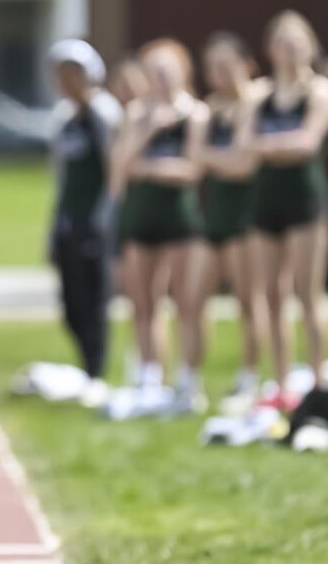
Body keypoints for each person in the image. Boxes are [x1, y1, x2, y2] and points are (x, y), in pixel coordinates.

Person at [246, 11, 328, 409]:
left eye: (297, 42)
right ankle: (281, 384)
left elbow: (308, 142)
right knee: (272, 295)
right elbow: (244, 144)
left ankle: (318, 383)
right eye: (282, 43)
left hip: (305, 200)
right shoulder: (259, 94)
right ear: (270, 49)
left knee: (308, 294)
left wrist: (268, 146)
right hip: (266, 200)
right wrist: (279, 145)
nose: (290, 50)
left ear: (311, 46)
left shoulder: (321, 90)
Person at [111, 38, 209, 416]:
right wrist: (149, 131)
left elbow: (192, 168)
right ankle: (149, 377)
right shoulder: (138, 114)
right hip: (142, 217)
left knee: (186, 302)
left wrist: (149, 168)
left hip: (180, 219)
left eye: (168, 71)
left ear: (182, 72)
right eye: (154, 72)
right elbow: (120, 167)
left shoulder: (194, 113)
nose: (161, 78)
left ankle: (188, 379)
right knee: (144, 303)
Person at [44, 39, 122, 408]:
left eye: (72, 72)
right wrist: (54, 228)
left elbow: (113, 170)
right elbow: (61, 179)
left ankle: (96, 371)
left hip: (96, 224)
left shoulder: (103, 115)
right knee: (71, 303)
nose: (66, 80)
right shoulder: (62, 119)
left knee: (94, 301)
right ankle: (85, 367)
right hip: (69, 222)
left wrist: (105, 218)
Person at [196, 33, 268, 412]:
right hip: (217, 212)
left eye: (225, 65)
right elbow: (193, 157)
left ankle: (250, 376)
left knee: (247, 300)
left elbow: (244, 164)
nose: (218, 74)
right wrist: (217, 157)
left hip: (248, 214)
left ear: (246, 64)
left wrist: (210, 156)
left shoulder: (258, 100)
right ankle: (189, 379)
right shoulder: (212, 107)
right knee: (194, 299)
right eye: (212, 67)